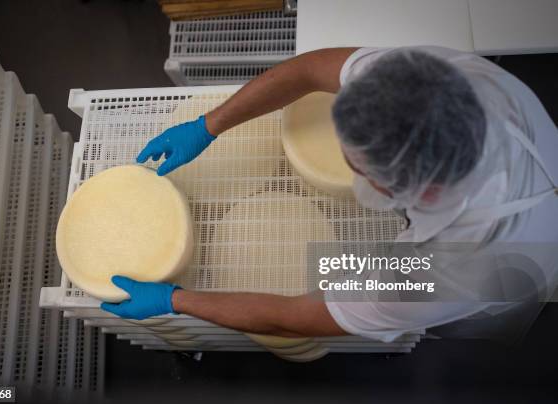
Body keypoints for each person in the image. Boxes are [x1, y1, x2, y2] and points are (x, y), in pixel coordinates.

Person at [101, 46, 558, 341]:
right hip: (531, 160)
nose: (348, 168)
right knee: (327, 263)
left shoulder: (452, 274)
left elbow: (298, 315)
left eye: (358, 168)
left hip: (514, 264)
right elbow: (310, 70)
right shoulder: (438, 82)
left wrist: (175, 300)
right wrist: (209, 124)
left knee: (455, 320)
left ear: (423, 189)